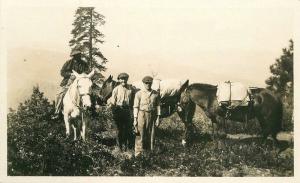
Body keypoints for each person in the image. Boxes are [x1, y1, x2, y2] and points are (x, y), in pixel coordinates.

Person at [51, 47, 89, 119]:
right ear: (73, 56)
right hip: (68, 82)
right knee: (59, 95)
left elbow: (87, 72)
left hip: (80, 82)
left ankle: (90, 110)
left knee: (88, 93)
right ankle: (57, 112)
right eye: (76, 55)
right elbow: (62, 72)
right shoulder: (68, 63)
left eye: (79, 54)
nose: (78, 56)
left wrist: (81, 76)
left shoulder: (84, 64)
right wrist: (70, 74)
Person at [133, 76, 161, 157]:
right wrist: (135, 119)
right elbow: (135, 107)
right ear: (143, 83)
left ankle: (149, 153)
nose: (148, 84)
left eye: (149, 83)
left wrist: (158, 118)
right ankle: (138, 154)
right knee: (140, 134)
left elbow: (158, 106)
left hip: (152, 115)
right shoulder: (139, 93)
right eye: (146, 83)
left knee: (151, 134)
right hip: (141, 114)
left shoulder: (155, 94)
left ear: (151, 83)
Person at [108, 73, 135, 150]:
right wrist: (112, 109)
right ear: (119, 80)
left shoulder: (131, 89)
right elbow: (113, 101)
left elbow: (133, 101)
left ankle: (126, 146)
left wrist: (132, 111)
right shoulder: (116, 89)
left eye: (125, 79)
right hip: (118, 110)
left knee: (128, 129)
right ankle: (119, 146)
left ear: (127, 79)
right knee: (119, 130)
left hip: (127, 111)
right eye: (122, 79)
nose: (123, 80)